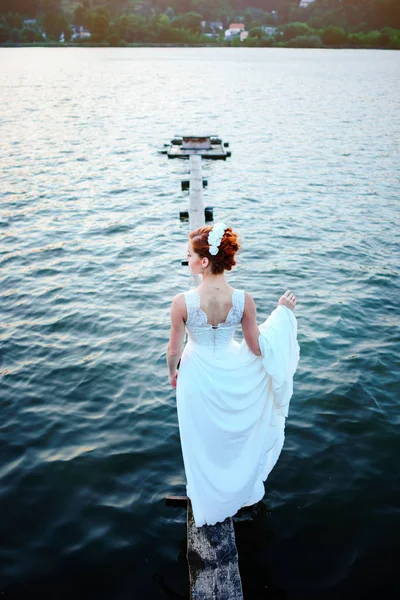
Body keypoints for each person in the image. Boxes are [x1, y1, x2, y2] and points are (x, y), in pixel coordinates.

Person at [167, 223, 300, 528]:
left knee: (201, 440)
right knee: (229, 439)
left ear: (203, 262)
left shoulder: (181, 302)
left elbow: (174, 350)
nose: (186, 260)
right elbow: (256, 348)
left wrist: (172, 372)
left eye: (188, 255)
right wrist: (281, 314)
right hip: (231, 369)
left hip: (195, 376)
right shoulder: (243, 299)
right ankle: (233, 490)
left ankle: (207, 498)